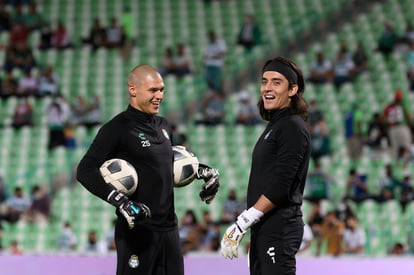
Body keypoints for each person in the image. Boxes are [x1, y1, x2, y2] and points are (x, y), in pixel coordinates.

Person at [76, 64, 220, 275]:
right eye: (153, 90)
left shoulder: (163, 125)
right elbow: (85, 170)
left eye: (161, 89)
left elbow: (164, 165)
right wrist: (121, 201)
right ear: (133, 89)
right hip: (137, 232)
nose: (159, 95)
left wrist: (202, 171)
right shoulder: (117, 128)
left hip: (170, 232)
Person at [220, 56, 311, 275]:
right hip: (266, 229)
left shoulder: (292, 126)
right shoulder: (277, 125)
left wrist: (242, 222)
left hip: (279, 228)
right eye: (264, 81)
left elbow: (281, 184)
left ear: (292, 90)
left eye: (276, 82)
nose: (267, 88)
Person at [382, 90, 412, 159]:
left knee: (395, 149)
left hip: (392, 129)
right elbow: (409, 117)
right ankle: (406, 165)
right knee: (406, 146)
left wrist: (389, 123)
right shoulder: (403, 104)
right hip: (402, 127)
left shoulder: (389, 106)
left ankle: (397, 165)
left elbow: (382, 119)